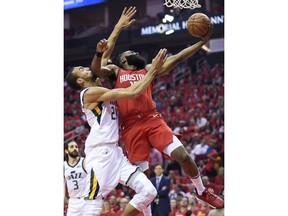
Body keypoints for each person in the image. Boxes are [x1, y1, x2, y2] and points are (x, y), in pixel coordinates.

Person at [90, 7, 224, 209]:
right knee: (143, 182)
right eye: (130, 52)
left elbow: (178, 57)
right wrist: (116, 29)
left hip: (152, 119)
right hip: (131, 127)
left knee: (183, 156)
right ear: (122, 59)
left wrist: (202, 42)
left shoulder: (149, 69)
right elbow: (97, 68)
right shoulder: (115, 71)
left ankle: (201, 191)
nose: (135, 52)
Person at [65, 37, 168, 216]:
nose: (86, 68)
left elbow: (104, 53)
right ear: (80, 81)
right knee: (93, 202)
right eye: (81, 69)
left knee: (149, 191)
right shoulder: (88, 92)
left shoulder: (98, 85)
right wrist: (151, 72)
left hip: (115, 153)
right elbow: (132, 92)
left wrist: (118, 28)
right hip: (100, 154)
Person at [64, 140, 88, 216]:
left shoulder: (84, 162)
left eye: (76, 147)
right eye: (72, 147)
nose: (75, 148)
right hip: (72, 202)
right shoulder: (64, 166)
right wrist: (65, 199)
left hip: (86, 200)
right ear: (66, 151)